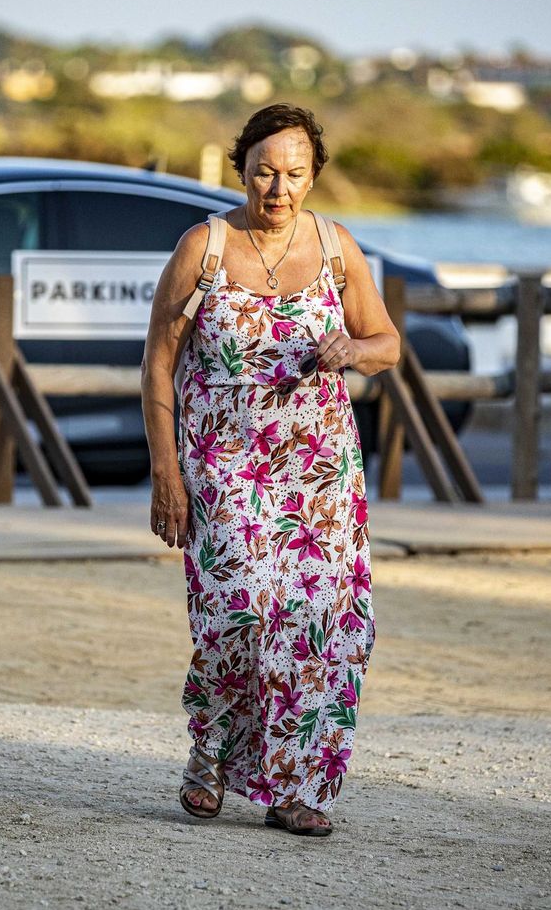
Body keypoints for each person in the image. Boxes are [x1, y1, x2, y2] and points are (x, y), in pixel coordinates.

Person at [141, 104, 400, 838]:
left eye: (293, 174)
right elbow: (158, 362)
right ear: (241, 170)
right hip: (222, 463)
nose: (278, 188)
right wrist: (167, 471)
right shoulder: (206, 248)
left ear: (313, 175)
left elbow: (388, 342)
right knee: (239, 612)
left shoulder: (337, 246)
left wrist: (353, 351)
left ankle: (293, 787)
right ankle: (213, 751)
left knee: (318, 627)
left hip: (318, 471)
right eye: (264, 172)